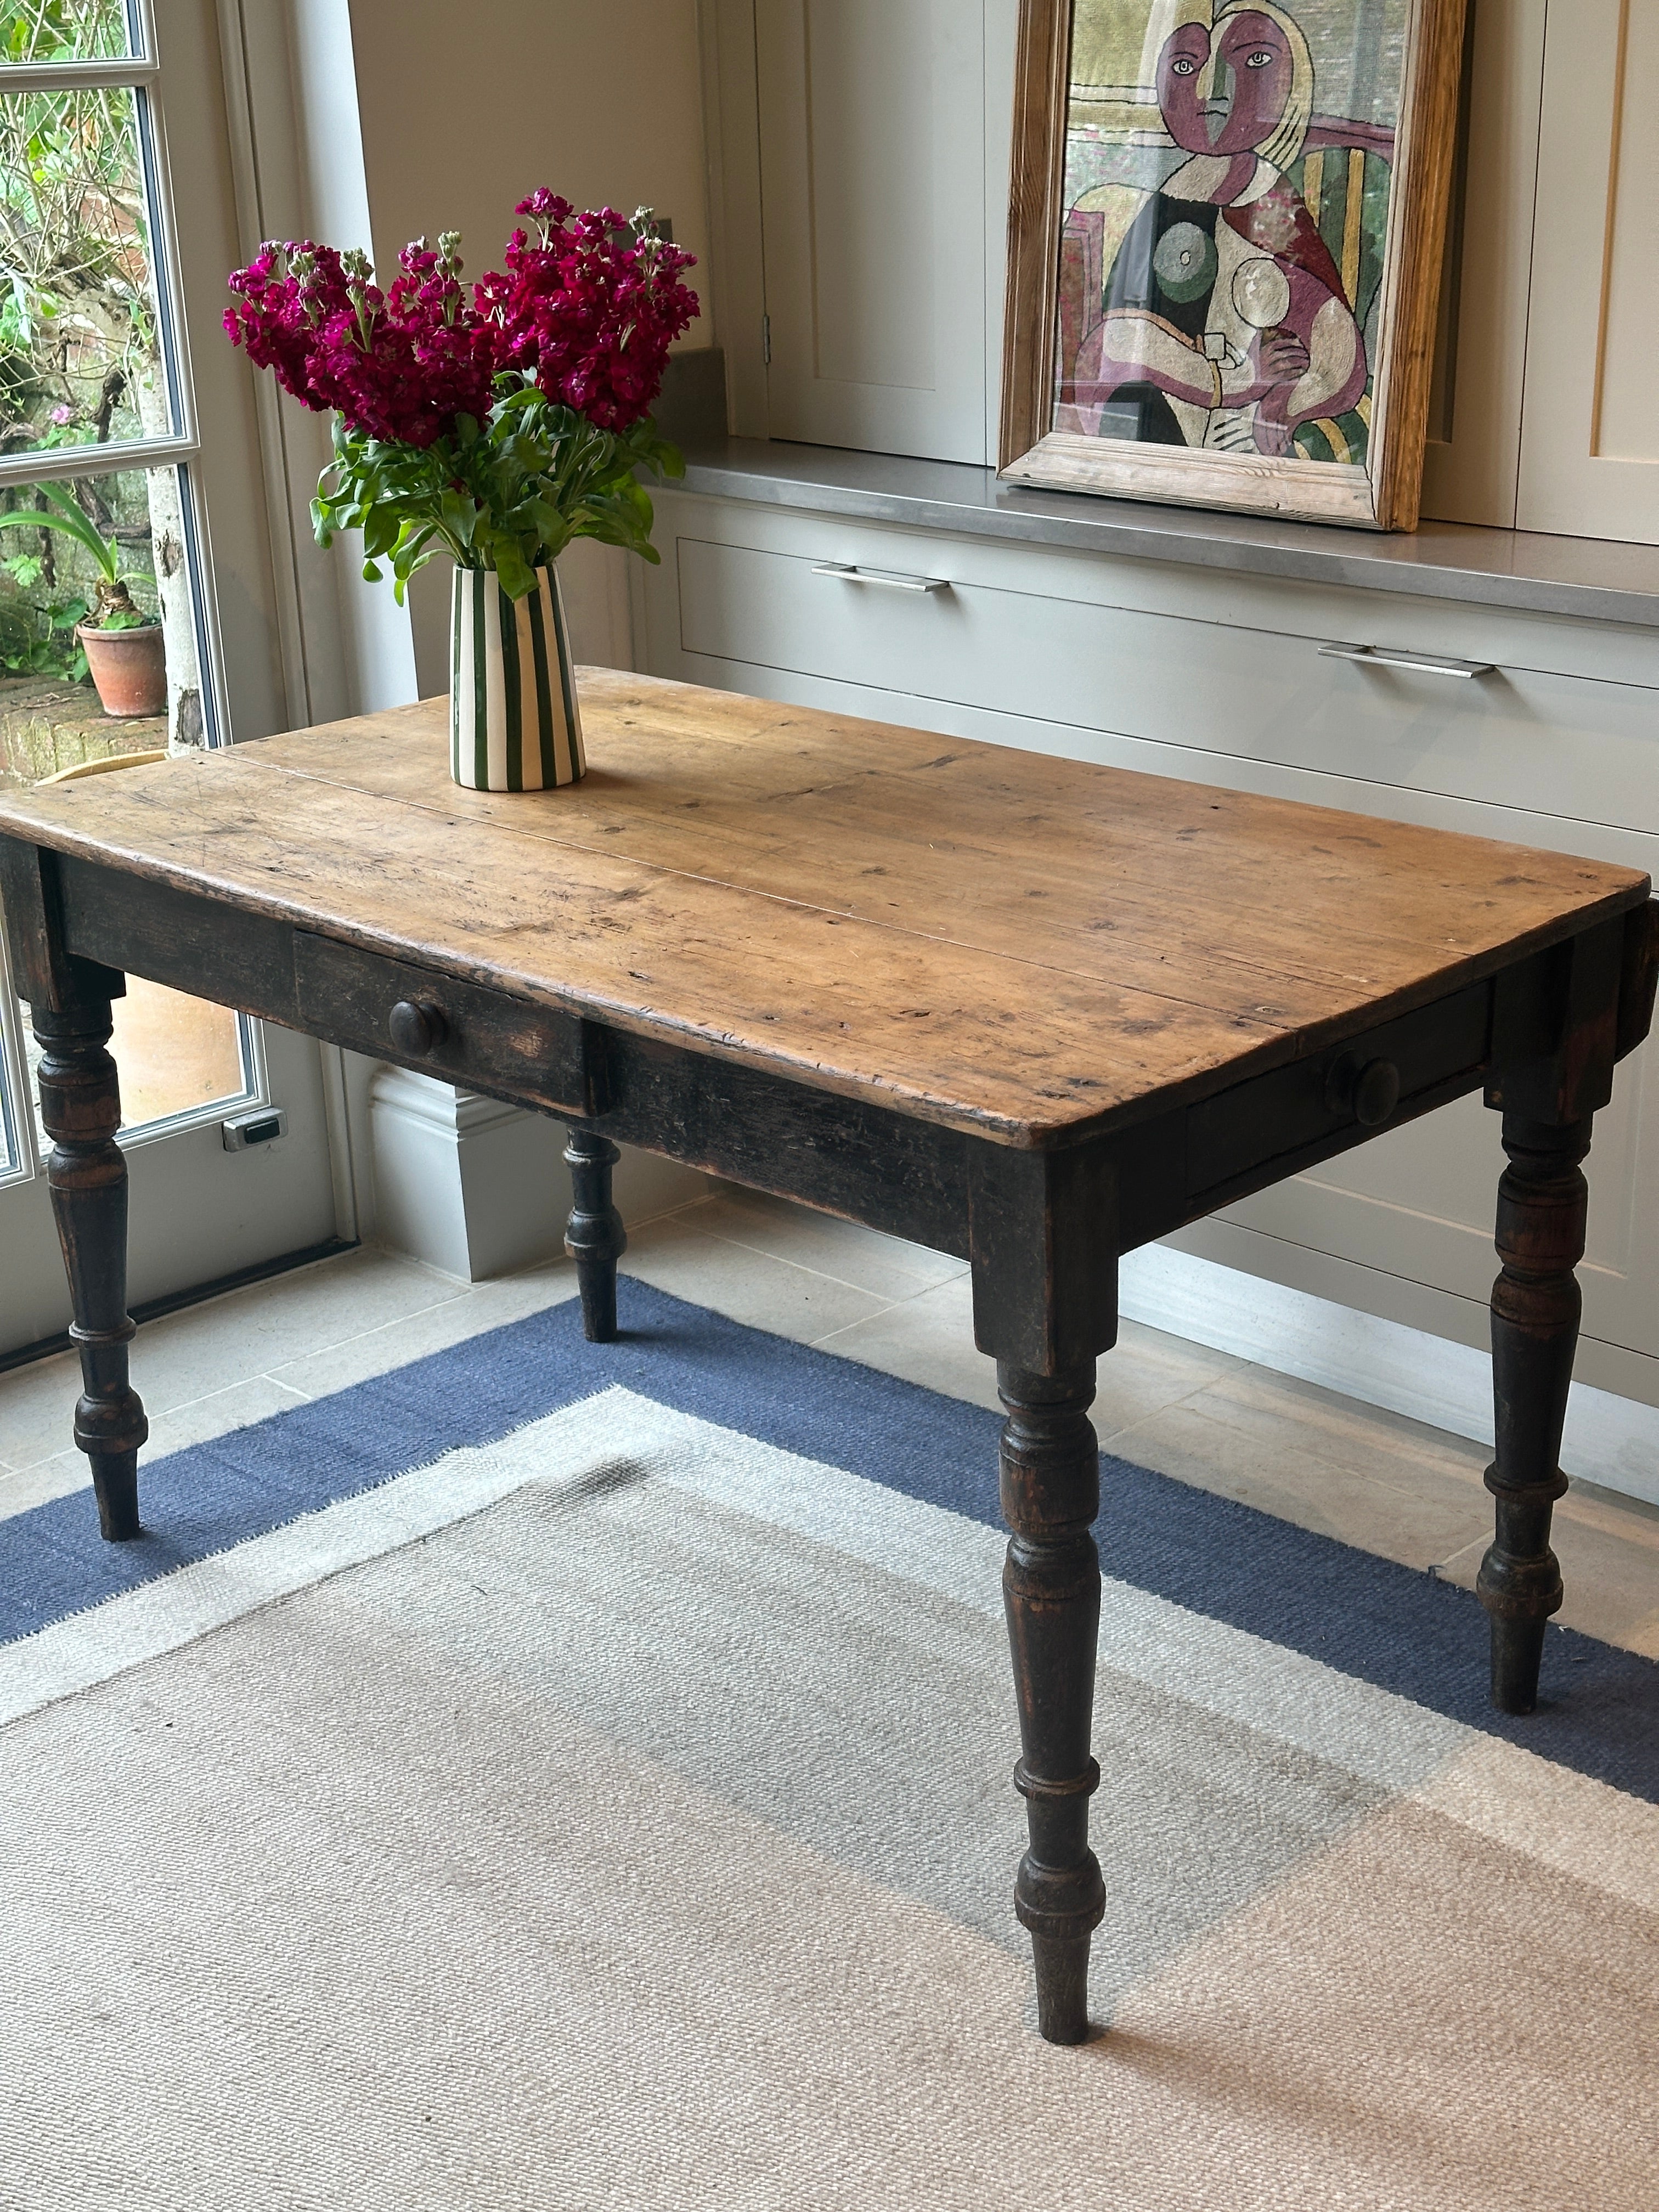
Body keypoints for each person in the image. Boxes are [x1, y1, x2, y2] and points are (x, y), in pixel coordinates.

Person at [1078, 0, 1365, 458]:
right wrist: (1231, 380)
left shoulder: (1271, 205)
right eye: (1186, 65)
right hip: (1161, 435)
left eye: (1254, 61)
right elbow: (1113, 344)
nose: (1214, 91)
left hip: (1244, 444)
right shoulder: (1170, 200)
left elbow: (1338, 346)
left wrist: (1284, 404)